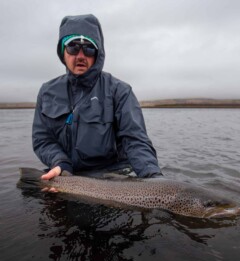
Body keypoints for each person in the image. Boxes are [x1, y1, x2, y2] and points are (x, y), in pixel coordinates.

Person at [32, 14, 162, 182]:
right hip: (63, 174)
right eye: (73, 47)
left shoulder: (120, 91)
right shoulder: (47, 91)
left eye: (88, 48)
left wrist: (153, 178)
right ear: (63, 51)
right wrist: (59, 162)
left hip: (112, 179)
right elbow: (43, 139)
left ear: (97, 54)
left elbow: (135, 141)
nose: (80, 55)